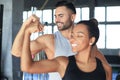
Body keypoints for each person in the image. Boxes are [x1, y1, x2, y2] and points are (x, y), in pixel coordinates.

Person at [11, 0, 112, 80]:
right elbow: (16, 51)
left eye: (61, 16)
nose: (57, 20)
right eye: (55, 16)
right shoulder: (49, 40)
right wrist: (25, 27)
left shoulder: (87, 43)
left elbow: (106, 68)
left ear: (73, 17)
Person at [21, 19, 107, 80]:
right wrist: (27, 33)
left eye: (79, 36)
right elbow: (27, 67)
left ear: (91, 40)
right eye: (72, 35)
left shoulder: (104, 68)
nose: (72, 39)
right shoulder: (63, 62)